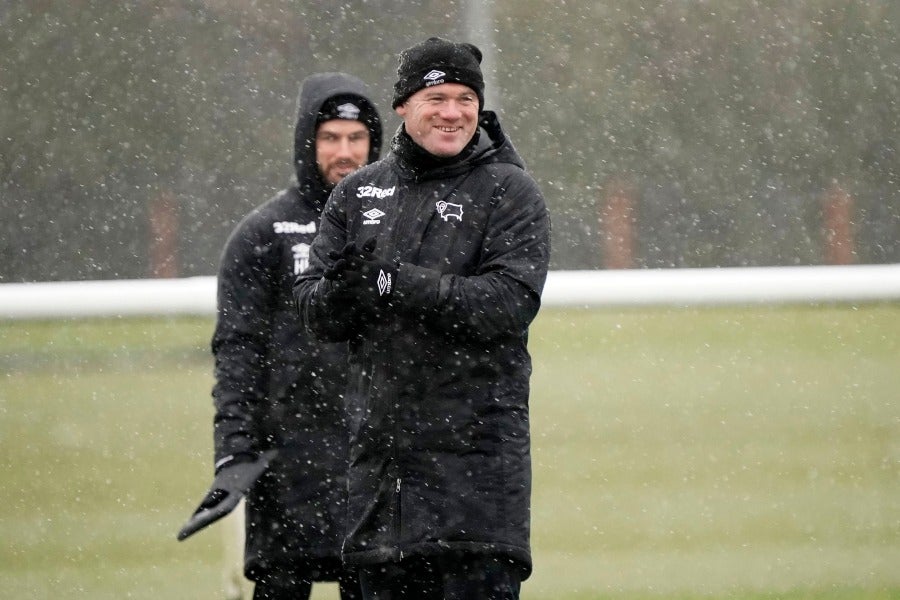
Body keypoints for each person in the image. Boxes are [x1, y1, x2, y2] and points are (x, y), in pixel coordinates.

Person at [293, 38, 551, 599]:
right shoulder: (358, 194)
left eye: (465, 98)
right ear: (403, 106)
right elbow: (315, 311)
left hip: (478, 497)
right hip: (379, 492)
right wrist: (346, 292)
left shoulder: (509, 189)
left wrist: (396, 283)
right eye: (436, 97)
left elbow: (507, 302)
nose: (453, 112)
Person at [178, 72, 383, 600]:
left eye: (356, 138)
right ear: (307, 142)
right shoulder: (263, 233)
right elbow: (237, 353)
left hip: (378, 468)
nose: (345, 151)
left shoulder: (398, 224)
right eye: (331, 137)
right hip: (287, 471)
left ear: (374, 142)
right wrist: (235, 453)